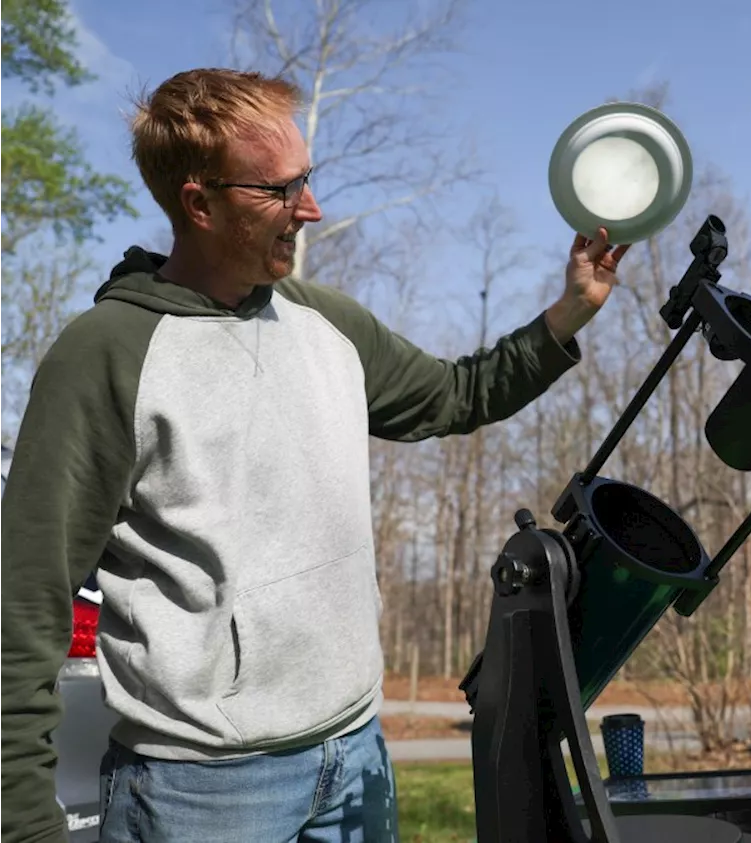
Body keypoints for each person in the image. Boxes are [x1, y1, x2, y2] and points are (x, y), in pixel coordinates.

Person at [0, 68, 630, 843]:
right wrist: (23, 822)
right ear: (199, 203)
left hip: (356, 754)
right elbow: (25, 600)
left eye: (310, 178)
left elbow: (457, 395)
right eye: (281, 189)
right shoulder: (108, 355)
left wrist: (572, 309)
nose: (312, 206)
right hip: (201, 793)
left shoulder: (322, 320)